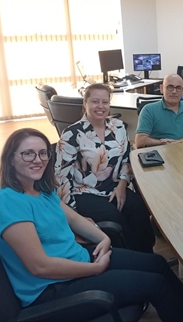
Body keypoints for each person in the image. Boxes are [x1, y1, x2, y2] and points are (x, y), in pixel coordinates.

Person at [0, 128, 183, 321]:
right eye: (28, 153)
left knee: (158, 263)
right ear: (10, 159)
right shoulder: (8, 202)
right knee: (156, 285)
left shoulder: (40, 190)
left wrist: (104, 238)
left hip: (78, 260)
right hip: (54, 288)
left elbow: (73, 219)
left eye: (43, 153)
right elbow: (40, 266)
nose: (38, 159)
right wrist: (95, 268)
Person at [54, 83, 155, 253]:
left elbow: (126, 158)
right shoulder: (72, 134)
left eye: (105, 102)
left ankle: (147, 255)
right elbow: (60, 176)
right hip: (84, 191)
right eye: (95, 101)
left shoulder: (119, 127)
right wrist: (73, 214)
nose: (100, 106)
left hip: (114, 186)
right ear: (85, 103)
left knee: (139, 208)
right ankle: (129, 257)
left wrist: (123, 184)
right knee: (114, 217)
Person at [135, 74, 183, 148]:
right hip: (161, 152)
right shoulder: (149, 110)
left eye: (178, 88)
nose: (174, 91)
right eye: (170, 87)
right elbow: (140, 140)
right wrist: (164, 143)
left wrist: (182, 140)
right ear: (161, 88)